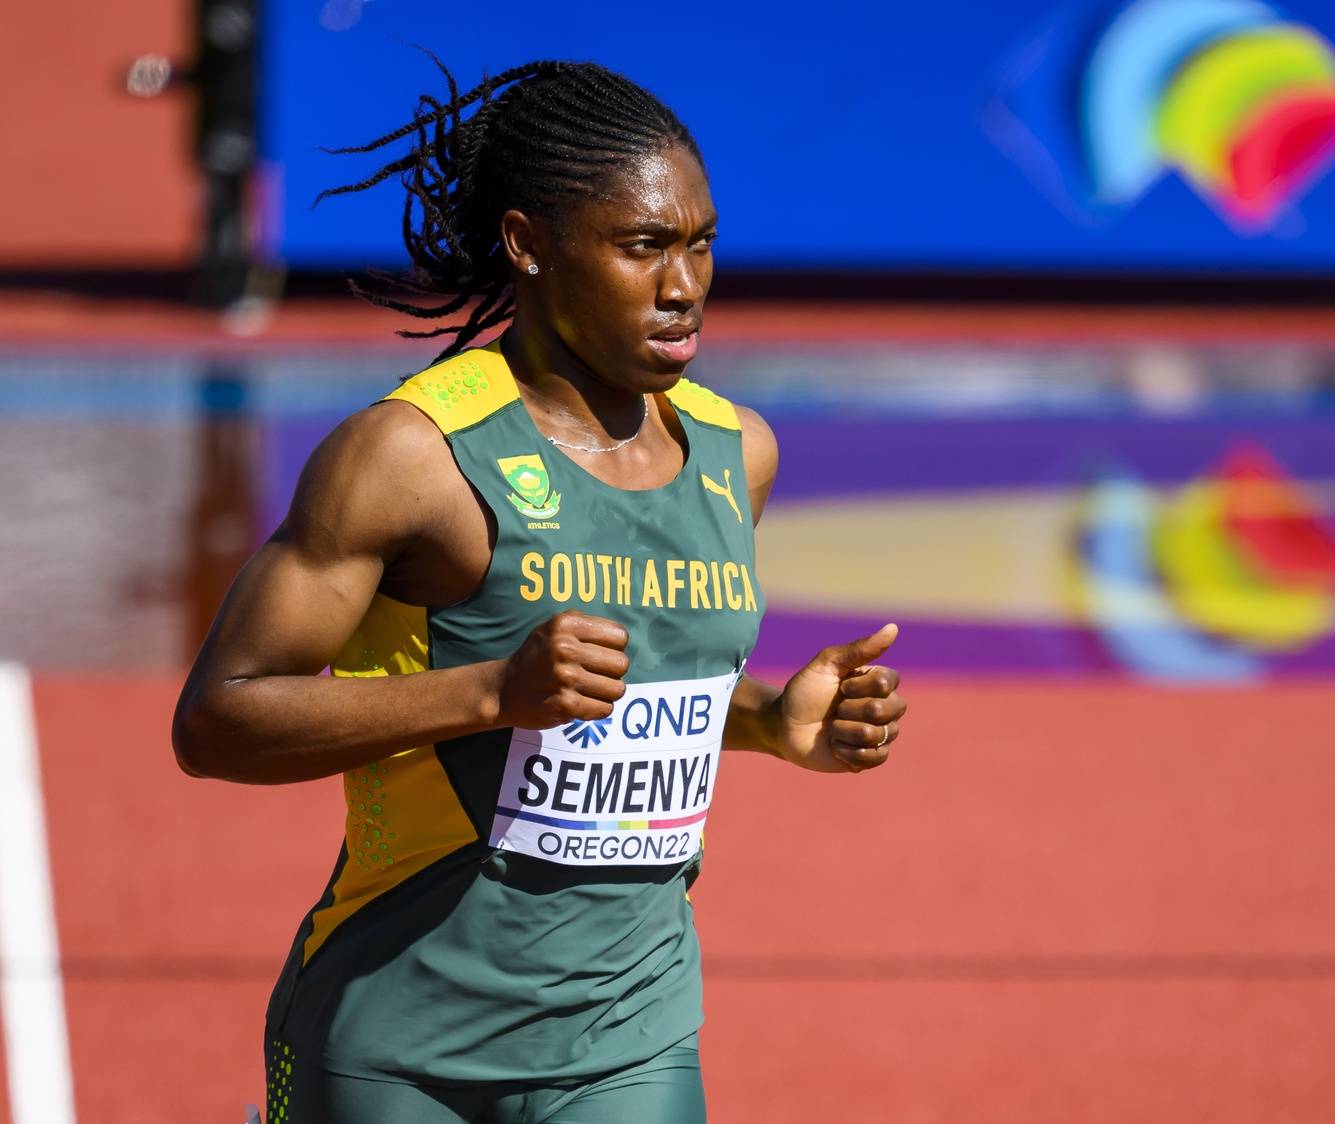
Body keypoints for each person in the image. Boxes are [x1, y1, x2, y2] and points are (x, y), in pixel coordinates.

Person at [171, 59, 908, 1124]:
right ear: (529, 244)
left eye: (700, 242)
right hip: (395, 1042)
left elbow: (627, 703)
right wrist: (487, 692)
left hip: (627, 1038)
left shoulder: (733, 450)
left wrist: (768, 720)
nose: (684, 283)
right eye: (643, 246)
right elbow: (218, 717)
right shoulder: (410, 456)